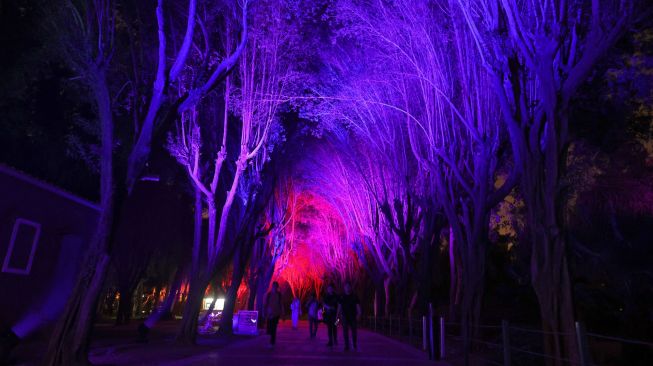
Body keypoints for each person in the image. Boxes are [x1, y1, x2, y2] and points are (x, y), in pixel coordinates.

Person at [337, 282, 361, 351]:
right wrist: (337, 316)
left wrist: (359, 314)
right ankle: (346, 345)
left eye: (348, 286)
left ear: (350, 287)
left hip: (353, 316)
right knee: (345, 331)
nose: (347, 288)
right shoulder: (341, 297)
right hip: (344, 316)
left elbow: (358, 306)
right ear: (344, 288)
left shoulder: (354, 296)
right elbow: (339, 307)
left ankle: (354, 343)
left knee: (354, 331)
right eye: (346, 286)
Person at [264, 282, 284, 346]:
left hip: (276, 314)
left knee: (273, 328)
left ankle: (272, 342)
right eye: (273, 286)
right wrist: (265, 312)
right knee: (269, 328)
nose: (274, 288)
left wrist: (282, 314)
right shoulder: (269, 294)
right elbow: (266, 304)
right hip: (269, 314)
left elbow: (281, 304)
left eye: (275, 286)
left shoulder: (279, 295)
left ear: (277, 287)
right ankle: (271, 341)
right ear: (272, 287)